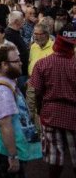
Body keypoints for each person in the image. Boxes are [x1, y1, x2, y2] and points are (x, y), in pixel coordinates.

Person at [0, 46, 42, 178]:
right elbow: (5, 124)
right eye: (16, 61)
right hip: (4, 153)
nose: (21, 63)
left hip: (12, 149)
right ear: (4, 65)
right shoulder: (1, 91)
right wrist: (13, 155)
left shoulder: (9, 83)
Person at [29, 29, 76, 178]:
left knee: (54, 155)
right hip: (73, 113)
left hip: (50, 112)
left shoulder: (43, 64)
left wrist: (40, 109)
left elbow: (36, 91)